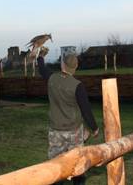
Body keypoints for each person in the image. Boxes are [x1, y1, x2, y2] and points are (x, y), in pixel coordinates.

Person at [37, 47, 99, 185]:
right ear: (76, 67)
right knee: (78, 165)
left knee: (55, 165)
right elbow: (86, 110)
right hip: (74, 133)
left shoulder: (52, 78)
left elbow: (41, 68)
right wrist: (94, 128)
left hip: (55, 132)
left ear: (62, 64)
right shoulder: (78, 86)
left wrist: (41, 55)